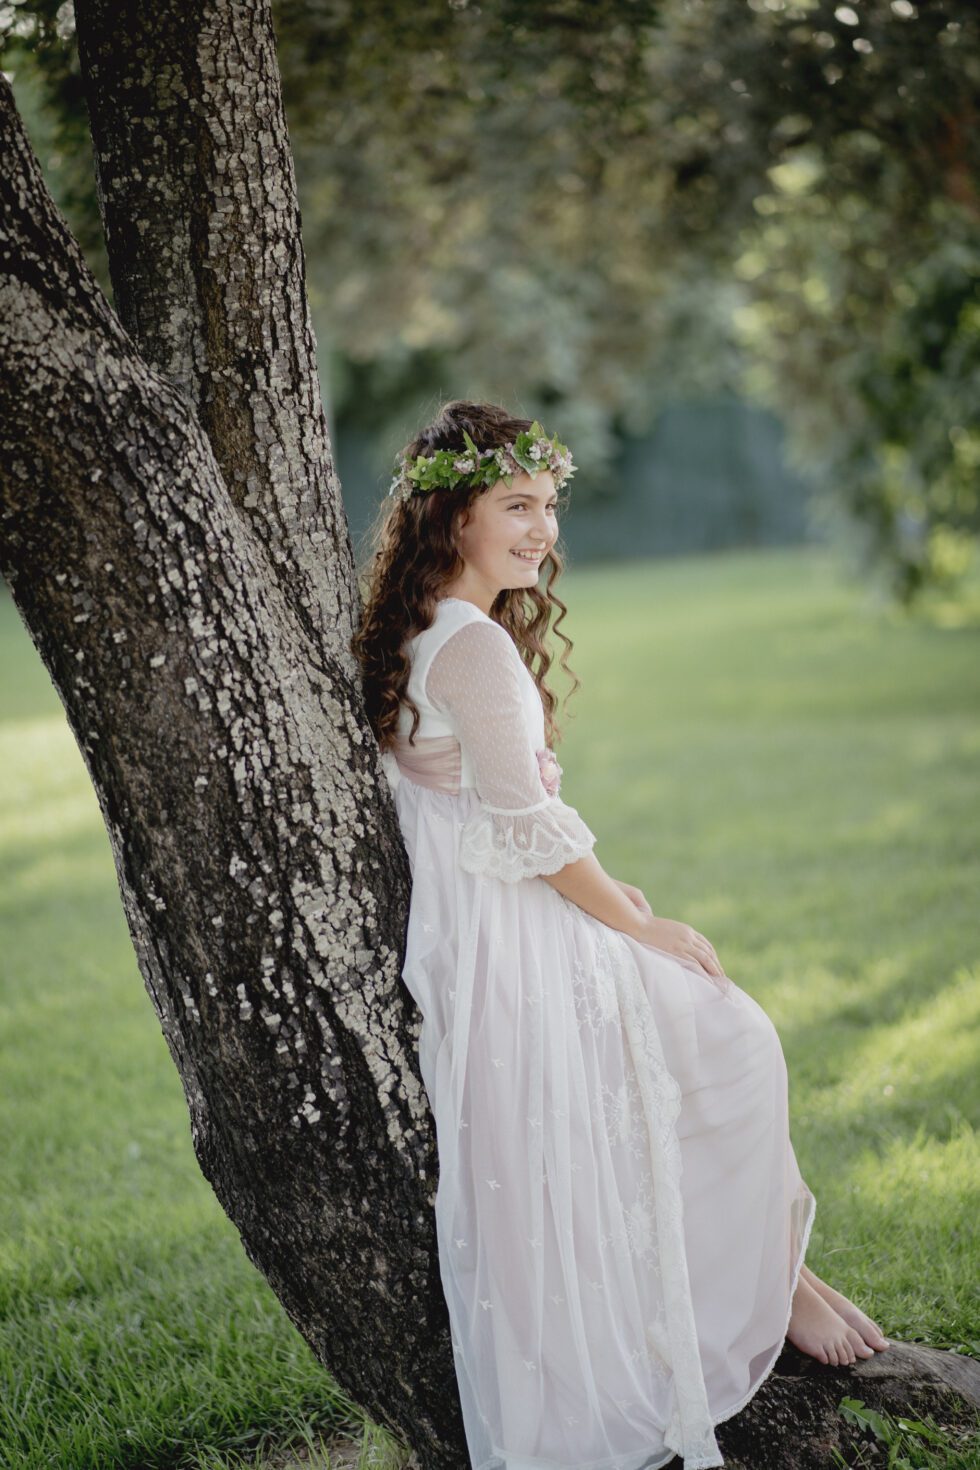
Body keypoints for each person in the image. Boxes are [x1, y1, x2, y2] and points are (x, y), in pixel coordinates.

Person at [351, 399, 889, 1470]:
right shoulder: (473, 647)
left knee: (677, 1068)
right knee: (732, 1043)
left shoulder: (424, 630)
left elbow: (487, 815)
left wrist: (613, 898)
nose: (542, 529)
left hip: (486, 924)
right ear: (453, 515)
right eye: (517, 505)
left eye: (549, 506)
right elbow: (526, 825)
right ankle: (777, 1283)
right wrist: (641, 926)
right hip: (513, 937)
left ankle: (784, 1276)